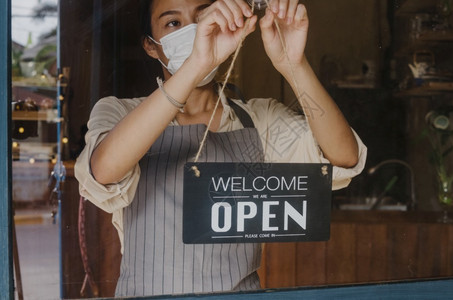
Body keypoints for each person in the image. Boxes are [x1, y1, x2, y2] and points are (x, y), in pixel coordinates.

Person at [74, 0, 367, 297]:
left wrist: (294, 64)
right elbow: (103, 170)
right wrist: (195, 65)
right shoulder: (120, 113)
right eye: (173, 23)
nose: (195, 30)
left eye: (203, 16)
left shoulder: (258, 119)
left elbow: (342, 157)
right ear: (151, 46)